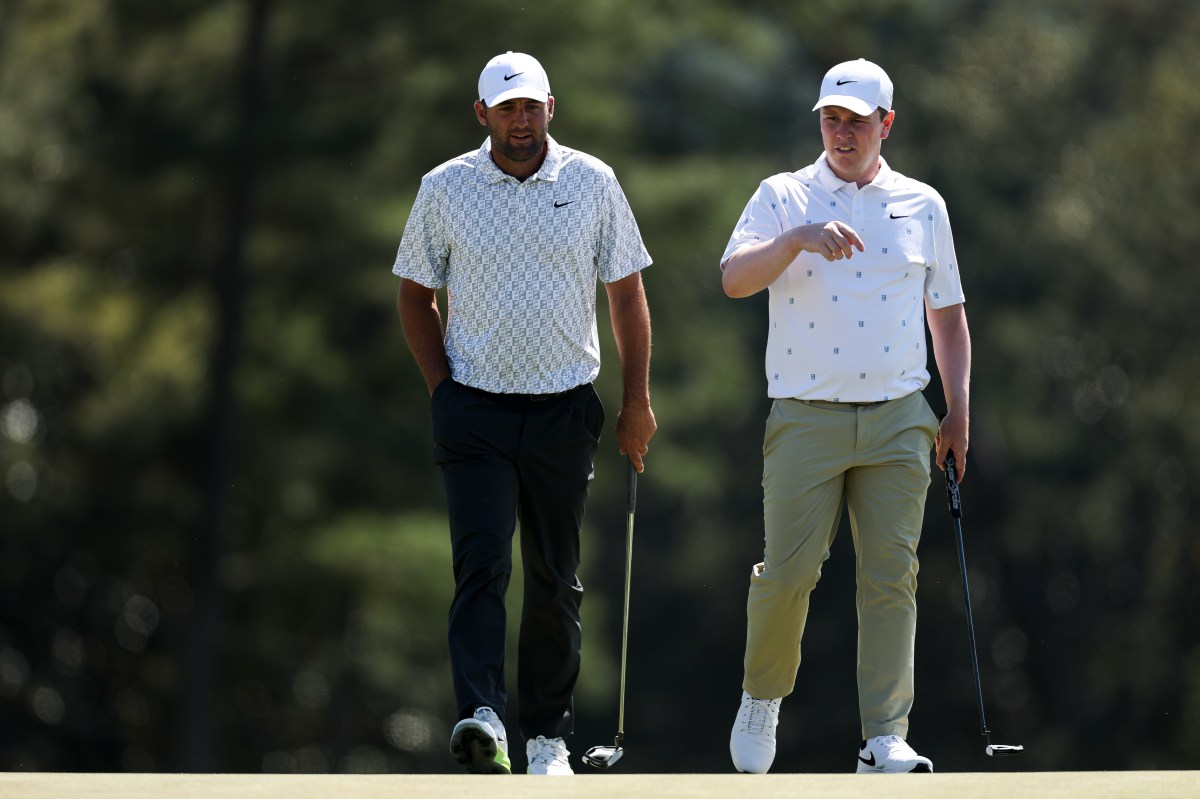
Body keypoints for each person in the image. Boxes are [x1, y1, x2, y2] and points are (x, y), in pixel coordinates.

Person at [392, 51, 656, 777]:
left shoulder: (592, 181)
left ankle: (547, 738)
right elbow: (415, 295)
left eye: (531, 107)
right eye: (506, 108)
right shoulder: (445, 187)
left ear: (550, 109)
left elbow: (626, 293)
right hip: (474, 409)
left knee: (555, 576)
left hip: (564, 409)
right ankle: (482, 716)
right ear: (482, 114)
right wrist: (443, 391)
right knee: (481, 567)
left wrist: (636, 400)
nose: (520, 121)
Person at [720, 58, 971, 774]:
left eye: (857, 121)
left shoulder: (923, 204)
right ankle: (762, 697)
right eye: (832, 119)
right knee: (788, 573)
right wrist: (795, 239)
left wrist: (956, 410)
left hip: (900, 416)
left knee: (892, 576)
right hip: (806, 415)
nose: (842, 133)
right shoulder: (782, 195)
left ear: (886, 124)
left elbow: (948, 316)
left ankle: (884, 735)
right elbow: (734, 279)